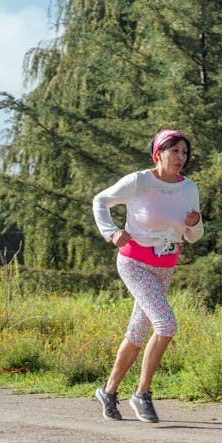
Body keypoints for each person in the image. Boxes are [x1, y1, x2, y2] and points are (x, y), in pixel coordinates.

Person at [91, 129, 203, 422]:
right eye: (174, 151)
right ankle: (142, 393)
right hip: (134, 263)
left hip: (166, 266)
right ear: (159, 154)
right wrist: (111, 232)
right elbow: (100, 201)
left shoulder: (189, 188)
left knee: (139, 331)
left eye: (184, 152)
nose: (181, 157)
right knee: (165, 325)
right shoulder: (140, 181)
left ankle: (109, 391)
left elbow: (194, 236)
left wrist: (194, 222)